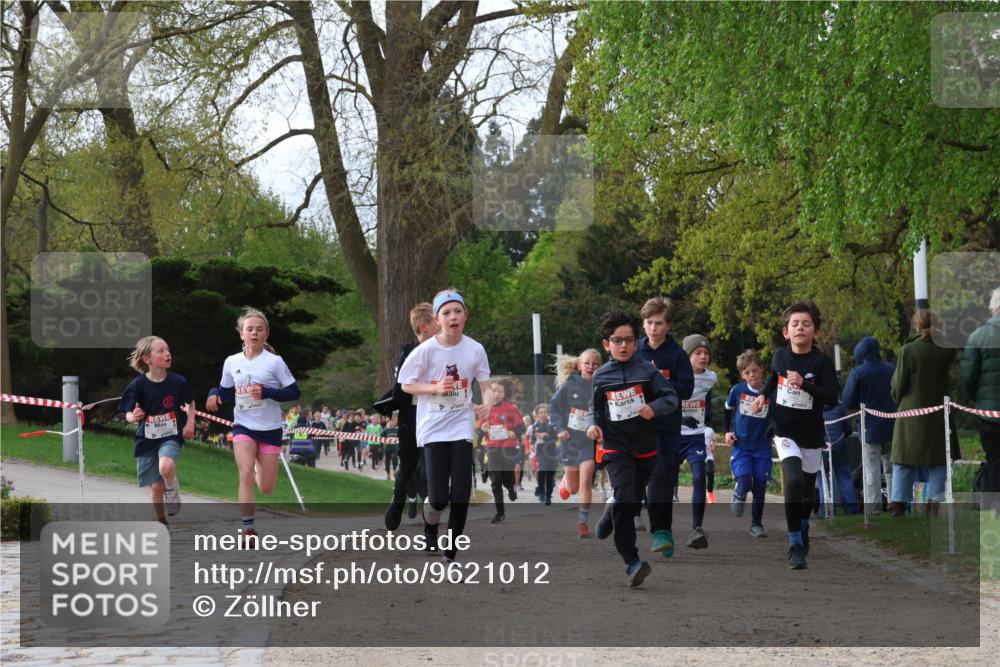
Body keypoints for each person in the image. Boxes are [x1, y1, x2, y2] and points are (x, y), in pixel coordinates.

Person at [399, 289, 491, 567]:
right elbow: (406, 384)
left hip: (461, 425)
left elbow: (485, 384)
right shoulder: (425, 350)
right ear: (437, 320)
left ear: (465, 315)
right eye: (446, 313)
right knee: (439, 498)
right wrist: (434, 387)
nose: (453, 317)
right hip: (433, 427)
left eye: (458, 311)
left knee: (461, 494)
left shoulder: (475, 349)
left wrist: (486, 404)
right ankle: (431, 510)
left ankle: (449, 555)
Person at [587, 310, 679, 587]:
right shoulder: (601, 376)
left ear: (635, 341)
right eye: (617, 340)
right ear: (607, 345)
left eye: (628, 340)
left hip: (646, 449)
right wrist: (594, 426)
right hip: (616, 448)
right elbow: (597, 410)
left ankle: (611, 509)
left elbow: (671, 397)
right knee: (627, 499)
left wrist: (654, 407)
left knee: (630, 500)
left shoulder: (647, 371)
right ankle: (632, 562)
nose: (624, 346)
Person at [752, 301, 838, 570]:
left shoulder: (821, 363)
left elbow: (832, 397)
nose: (800, 328)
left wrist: (806, 385)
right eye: (795, 324)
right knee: (794, 481)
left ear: (816, 333)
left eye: (806, 324)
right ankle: (794, 544)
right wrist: (763, 397)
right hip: (783, 429)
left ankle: (802, 526)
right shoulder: (780, 356)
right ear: (786, 332)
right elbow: (774, 379)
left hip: (811, 433)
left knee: (808, 492)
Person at [207, 307, 300, 544]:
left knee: (266, 487)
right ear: (241, 334)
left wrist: (267, 392)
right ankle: (248, 528)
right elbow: (226, 391)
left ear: (266, 334)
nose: (254, 333)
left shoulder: (275, 362)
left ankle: (260, 468)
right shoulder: (232, 361)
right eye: (250, 329)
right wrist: (214, 395)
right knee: (245, 472)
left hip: (270, 430)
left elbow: (293, 391)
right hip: (243, 426)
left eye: (259, 329)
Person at [634, 296, 695, 558]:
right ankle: (657, 530)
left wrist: (659, 380)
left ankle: (664, 530)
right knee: (655, 473)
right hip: (640, 425)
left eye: (658, 323)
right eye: (648, 322)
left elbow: (687, 389)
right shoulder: (635, 350)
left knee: (667, 478)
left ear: (668, 325)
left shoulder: (677, 355)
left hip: (668, 425)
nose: (653, 328)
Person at [889, 309, 960, 517]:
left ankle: (899, 506)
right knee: (938, 460)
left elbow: (899, 384)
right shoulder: (947, 350)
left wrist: (896, 396)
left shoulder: (908, 350)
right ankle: (934, 506)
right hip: (939, 412)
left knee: (903, 459)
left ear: (916, 326)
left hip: (911, 412)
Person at [118, 336, 195, 527]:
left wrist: (190, 423)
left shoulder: (178, 382)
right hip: (147, 438)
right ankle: (160, 519)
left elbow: (191, 403)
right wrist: (133, 417)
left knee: (166, 468)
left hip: (171, 435)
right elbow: (127, 412)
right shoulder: (138, 384)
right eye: (160, 351)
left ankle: (172, 488)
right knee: (155, 487)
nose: (167, 353)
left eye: (167, 349)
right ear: (147, 359)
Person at [384, 303, 440, 530]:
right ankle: (398, 503)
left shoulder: (443, 350)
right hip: (411, 417)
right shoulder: (407, 352)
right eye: (438, 324)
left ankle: (431, 530)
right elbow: (401, 385)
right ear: (425, 327)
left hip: (436, 418)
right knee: (407, 466)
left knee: (430, 474)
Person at [549, 349, 602, 538]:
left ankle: (582, 522)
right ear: (579, 366)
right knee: (573, 488)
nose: (591, 366)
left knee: (586, 481)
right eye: (587, 363)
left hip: (588, 442)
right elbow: (553, 406)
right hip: (569, 441)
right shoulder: (569, 385)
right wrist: (560, 428)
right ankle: (565, 482)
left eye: (595, 363)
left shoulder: (601, 386)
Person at [843, 336, 897, 514]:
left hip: (869, 428)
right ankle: (894, 503)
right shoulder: (892, 368)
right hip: (892, 426)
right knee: (891, 468)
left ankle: (874, 508)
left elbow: (848, 400)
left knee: (871, 470)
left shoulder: (858, 372)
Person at [675, 333, 718, 549]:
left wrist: (705, 417)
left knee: (700, 476)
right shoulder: (676, 376)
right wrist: (681, 417)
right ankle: (661, 526)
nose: (703, 357)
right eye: (698, 353)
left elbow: (706, 398)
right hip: (672, 435)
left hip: (695, 437)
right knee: (663, 482)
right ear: (687, 356)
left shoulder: (711, 378)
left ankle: (696, 528)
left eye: (706, 353)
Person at [725, 349, 773, 537]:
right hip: (742, 446)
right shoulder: (737, 390)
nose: (751, 375)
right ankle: (739, 492)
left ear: (762, 369)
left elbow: (776, 414)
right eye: (747, 372)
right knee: (746, 480)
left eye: (755, 370)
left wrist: (774, 429)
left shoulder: (771, 391)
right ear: (742, 375)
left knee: (760, 487)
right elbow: (726, 411)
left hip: (762, 446)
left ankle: (756, 524)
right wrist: (728, 432)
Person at [960, 286, 1000, 509]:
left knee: (994, 460)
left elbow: (968, 378)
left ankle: (994, 513)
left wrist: (978, 400)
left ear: (992, 309)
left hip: (990, 414)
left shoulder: (978, 336)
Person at [479, 378, 526, 523]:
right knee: (496, 481)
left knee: (507, 479)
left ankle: (511, 487)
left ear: (504, 394)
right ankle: (500, 513)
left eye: (499, 391)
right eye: (493, 391)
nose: (496, 393)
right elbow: (480, 427)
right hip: (492, 448)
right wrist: (483, 428)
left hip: (508, 448)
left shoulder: (511, 409)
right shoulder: (485, 409)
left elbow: (521, 427)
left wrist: (515, 434)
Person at [820, 400, 861, 515]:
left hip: (820, 445)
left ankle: (826, 511)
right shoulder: (839, 406)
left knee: (823, 478)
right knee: (845, 477)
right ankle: (852, 510)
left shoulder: (812, 404)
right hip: (838, 444)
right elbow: (848, 429)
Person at [529, 404, 558, 505]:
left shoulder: (551, 425)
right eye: (541, 412)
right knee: (542, 470)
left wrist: (544, 436)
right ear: (537, 414)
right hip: (540, 452)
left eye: (545, 412)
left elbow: (555, 439)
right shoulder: (535, 426)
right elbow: (533, 438)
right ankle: (542, 494)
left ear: (548, 414)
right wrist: (532, 444)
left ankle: (547, 494)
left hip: (551, 452)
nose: (543, 414)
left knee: (550, 474)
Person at [383, 414, 400, 480]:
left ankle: (394, 470)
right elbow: (380, 436)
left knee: (394, 457)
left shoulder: (397, 429)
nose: (393, 423)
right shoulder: (386, 430)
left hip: (395, 448)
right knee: (387, 461)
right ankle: (388, 474)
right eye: (391, 421)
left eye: (394, 421)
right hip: (388, 448)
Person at [704, 427, 717, 504]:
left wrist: (713, 446)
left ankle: (710, 493)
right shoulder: (695, 429)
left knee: (710, 472)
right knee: (700, 476)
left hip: (709, 456)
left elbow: (714, 440)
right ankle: (701, 495)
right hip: (698, 456)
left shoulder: (710, 430)